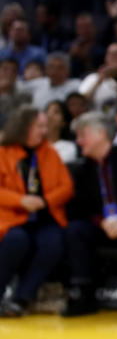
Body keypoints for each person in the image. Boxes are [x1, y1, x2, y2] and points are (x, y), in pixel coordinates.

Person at [62, 112, 117, 320]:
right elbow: (79, 208)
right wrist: (102, 223)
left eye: (83, 134)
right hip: (102, 227)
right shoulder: (82, 169)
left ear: (101, 133)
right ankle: (84, 293)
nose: (79, 140)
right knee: (75, 229)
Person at [0, 106, 73, 317]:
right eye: (39, 126)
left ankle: (22, 298)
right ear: (24, 127)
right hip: (12, 218)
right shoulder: (4, 152)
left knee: (52, 243)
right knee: (16, 241)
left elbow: (66, 187)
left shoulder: (49, 152)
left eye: (45, 126)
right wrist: (21, 200)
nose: (44, 130)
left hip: (45, 217)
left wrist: (44, 200)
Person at [44, 100, 78, 164]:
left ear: (64, 122)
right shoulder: (34, 145)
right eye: (47, 111)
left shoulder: (69, 147)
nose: (49, 115)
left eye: (56, 112)